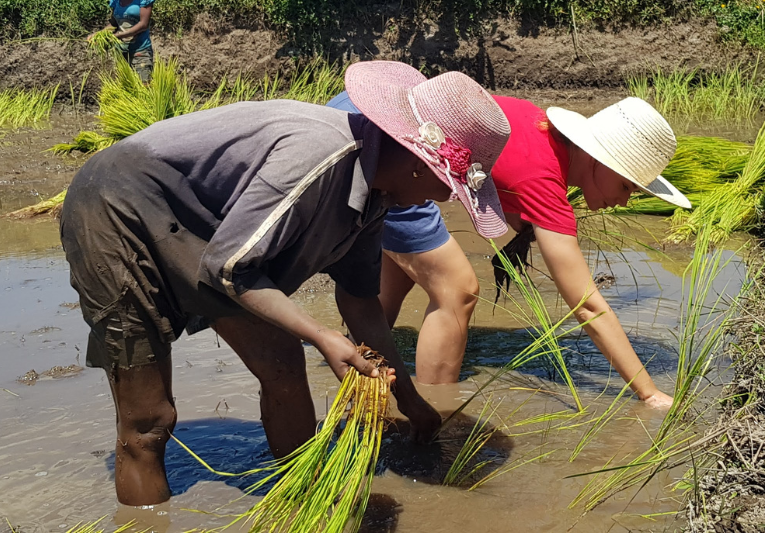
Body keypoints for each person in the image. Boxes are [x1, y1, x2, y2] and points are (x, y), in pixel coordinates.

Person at [60, 61, 511, 506]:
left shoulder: (377, 194)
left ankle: (300, 497)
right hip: (116, 208)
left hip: (214, 231)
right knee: (149, 422)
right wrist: (323, 337)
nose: (445, 199)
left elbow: (360, 301)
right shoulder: (317, 158)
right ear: (418, 164)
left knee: (284, 367)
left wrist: (409, 400)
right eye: (448, 186)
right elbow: (232, 269)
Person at [330, 75, 689, 408]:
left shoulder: (540, 128)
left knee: (407, 269)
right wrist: (650, 393)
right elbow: (588, 307)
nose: (625, 201)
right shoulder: (545, 182)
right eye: (626, 185)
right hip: (394, 141)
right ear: (599, 159)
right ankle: (433, 414)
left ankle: (360, 375)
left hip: (361, 112)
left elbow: (509, 195)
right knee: (457, 289)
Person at [90, 0, 157, 82]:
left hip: (140, 51)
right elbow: (114, 23)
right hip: (121, 50)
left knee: (144, 85)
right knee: (125, 86)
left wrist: (119, 35)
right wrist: (100, 34)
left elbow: (143, 24)